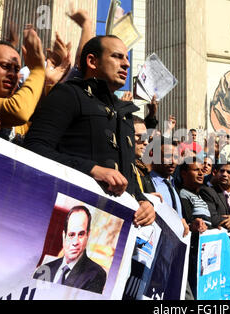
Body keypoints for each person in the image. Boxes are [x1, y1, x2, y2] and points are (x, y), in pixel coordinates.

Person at [24, 35, 155, 227]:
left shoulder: (125, 114)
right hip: (65, 219)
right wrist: (92, 169)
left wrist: (145, 202)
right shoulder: (68, 94)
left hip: (111, 230)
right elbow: (34, 147)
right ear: (92, 61)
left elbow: (128, 180)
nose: (126, 64)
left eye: (126, 58)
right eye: (118, 57)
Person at [0, 27, 45, 133]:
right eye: (5, 66)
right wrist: (37, 70)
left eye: (17, 69)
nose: (12, 74)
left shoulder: (18, 120)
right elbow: (19, 111)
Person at [33, 206, 106, 294]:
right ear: (64, 236)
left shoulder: (96, 274)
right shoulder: (43, 270)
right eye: (71, 235)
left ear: (88, 235)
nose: (75, 242)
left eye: (81, 234)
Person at [140, 136, 189, 235]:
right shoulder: (143, 182)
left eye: (175, 157)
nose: (173, 162)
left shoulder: (176, 188)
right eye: (167, 156)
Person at [179, 157, 213, 299]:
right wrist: (195, 224)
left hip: (204, 253)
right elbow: (187, 219)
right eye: (195, 170)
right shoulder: (182, 194)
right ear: (183, 173)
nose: (201, 173)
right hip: (192, 251)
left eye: (202, 171)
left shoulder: (200, 196)